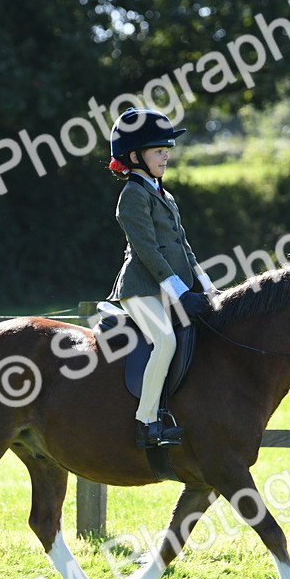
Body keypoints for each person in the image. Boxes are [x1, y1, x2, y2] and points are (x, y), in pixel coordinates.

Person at [106, 108, 216, 449]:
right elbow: (148, 252)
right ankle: (147, 421)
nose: (166, 155)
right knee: (165, 340)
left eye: (166, 149)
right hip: (140, 290)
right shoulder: (132, 196)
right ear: (134, 157)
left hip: (170, 289)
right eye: (158, 150)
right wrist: (181, 293)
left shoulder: (164, 195)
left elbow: (184, 247)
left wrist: (208, 287)